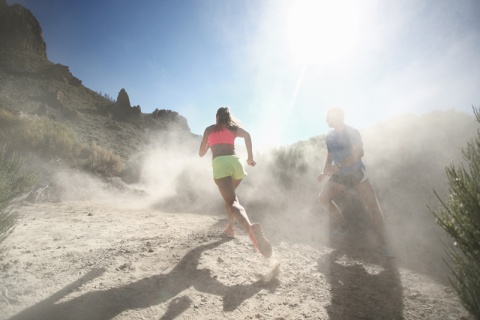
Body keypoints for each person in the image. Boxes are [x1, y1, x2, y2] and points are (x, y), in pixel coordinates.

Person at [317, 107, 393, 256]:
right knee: (323, 198)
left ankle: (385, 245)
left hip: (356, 173)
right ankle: (344, 225)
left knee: (373, 207)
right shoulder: (330, 137)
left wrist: (337, 166)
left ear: (336, 117)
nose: (326, 120)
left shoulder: (352, 132)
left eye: (328, 117)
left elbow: (359, 153)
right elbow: (330, 155)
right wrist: (324, 171)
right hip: (340, 176)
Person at [199, 106, 273, 258]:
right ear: (228, 117)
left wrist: (209, 143)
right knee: (232, 199)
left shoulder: (209, 129)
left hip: (221, 164)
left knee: (232, 202)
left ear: (216, 117)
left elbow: (201, 153)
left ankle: (250, 228)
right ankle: (230, 228)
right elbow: (247, 135)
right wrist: (250, 158)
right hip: (236, 164)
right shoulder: (233, 129)